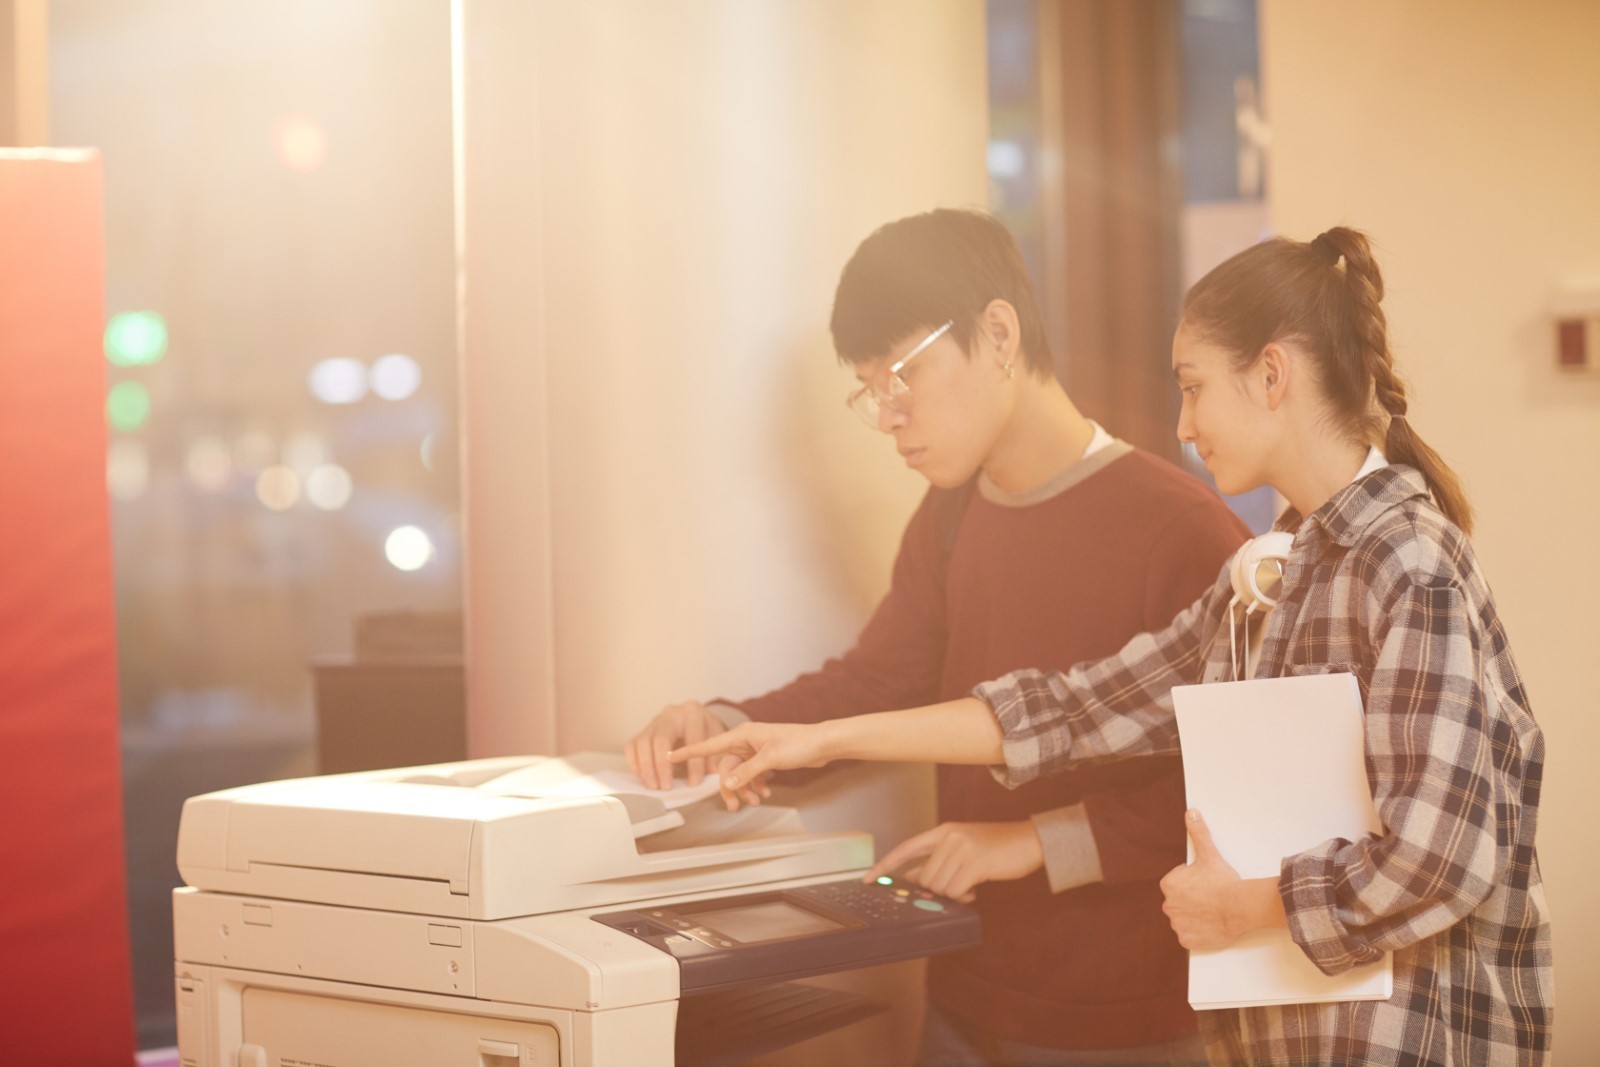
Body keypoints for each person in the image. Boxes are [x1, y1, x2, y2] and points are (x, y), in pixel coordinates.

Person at [673, 227, 1554, 1067]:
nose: (1180, 421)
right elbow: (1079, 706)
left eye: (1195, 385)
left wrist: (1239, 906)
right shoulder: (1272, 571)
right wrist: (813, 738)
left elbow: (1441, 860)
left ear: (1273, 375)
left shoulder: (1407, 561)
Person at [626, 208, 1250, 1064]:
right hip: (965, 987)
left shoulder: (1182, 530)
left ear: (999, 333)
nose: (890, 416)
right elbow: (882, 681)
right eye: (870, 391)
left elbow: (1226, 797)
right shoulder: (951, 515)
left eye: (903, 377)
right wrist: (729, 727)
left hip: (1125, 1016)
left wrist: (1031, 842)